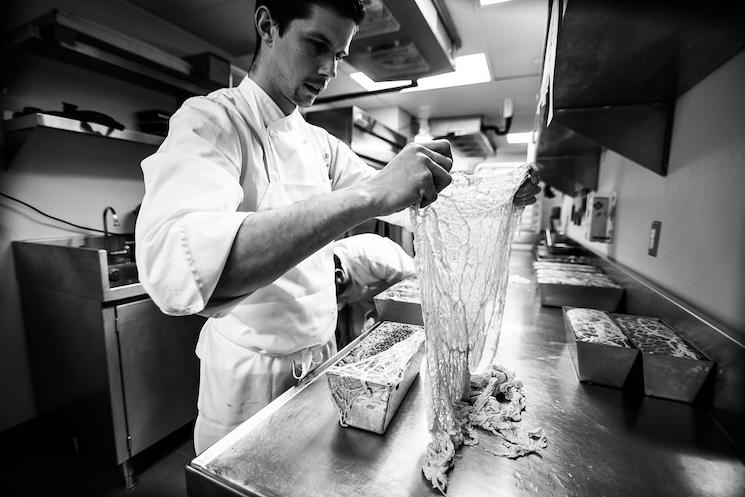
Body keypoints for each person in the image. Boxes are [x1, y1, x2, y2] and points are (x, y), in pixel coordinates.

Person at [135, 0, 540, 454]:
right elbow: (176, 267)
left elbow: (405, 197)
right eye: (316, 45)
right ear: (267, 25)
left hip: (321, 363)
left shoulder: (319, 145)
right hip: (246, 380)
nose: (329, 70)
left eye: (340, 55)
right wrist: (369, 196)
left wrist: (498, 194)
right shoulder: (214, 122)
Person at [333, 233, 416, 347]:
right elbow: (338, 308)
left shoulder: (376, 256)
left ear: (339, 276)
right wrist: (344, 335)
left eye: (339, 296)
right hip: (362, 305)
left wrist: (376, 314)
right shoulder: (326, 279)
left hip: (402, 298)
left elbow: (412, 282)